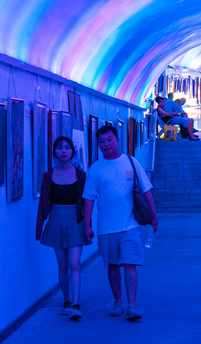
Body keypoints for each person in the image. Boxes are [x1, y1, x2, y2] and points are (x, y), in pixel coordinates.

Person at [83, 125, 159, 321]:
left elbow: (146, 190)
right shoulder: (95, 169)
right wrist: (87, 224)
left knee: (130, 264)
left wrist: (153, 216)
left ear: (117, 140)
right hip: (106, 228)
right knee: (112, 266)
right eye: (102, 141)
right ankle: (118, 302)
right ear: (98, 144)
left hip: (130, 226)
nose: (106, 144)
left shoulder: (131, 163)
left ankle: (132, 305)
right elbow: (89, 198)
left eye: (109, 140)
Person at [36, 136, 91, 320]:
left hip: (75, 222)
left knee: (74, 264)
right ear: (54, 152)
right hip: (56, 222)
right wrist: (39, 227)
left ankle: (76, 304)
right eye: (59, 147)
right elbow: (43, 203)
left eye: (67, 147)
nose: (63, 150)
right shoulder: (48, 176)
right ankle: (67, 301)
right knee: (63, 266)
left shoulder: (81, 176)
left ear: (72, 152)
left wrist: (88, 226)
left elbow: (86, 202)